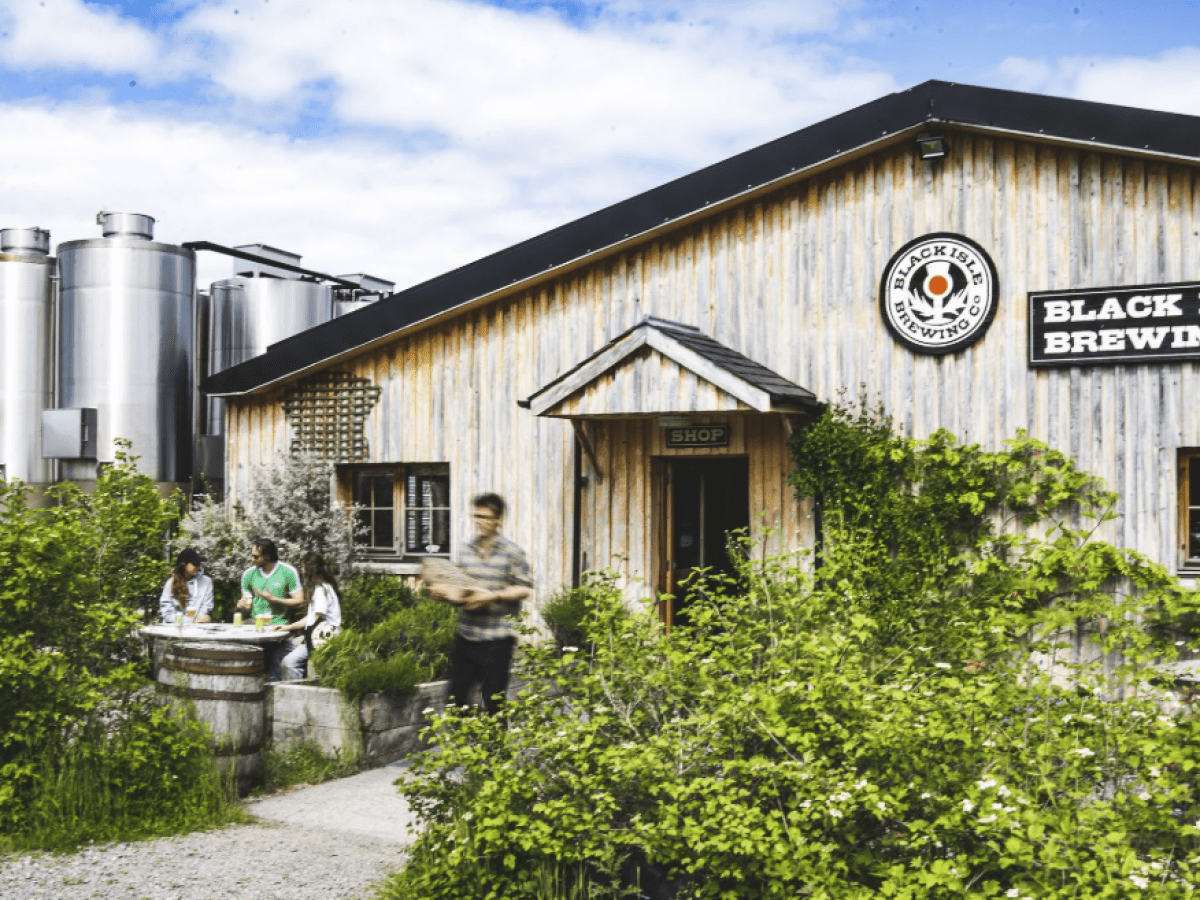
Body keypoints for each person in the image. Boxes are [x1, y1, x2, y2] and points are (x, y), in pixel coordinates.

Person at [428, 493, 533, 714]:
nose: (480, 521)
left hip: (497, 639)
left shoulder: (513, 553)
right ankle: (464, 746)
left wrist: (493, 596)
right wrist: (444, 593)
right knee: (455, 698)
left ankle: (497, 748)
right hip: (466, 636)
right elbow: (461, 587)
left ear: (499, 520)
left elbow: (524, 589)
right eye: (477, 516)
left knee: (494, 701)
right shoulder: (465, 551)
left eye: (486, 517)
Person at [237, 538, 304, 681]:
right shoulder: (249, 574)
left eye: (256, 556)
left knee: (274, 654)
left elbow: (300, 602)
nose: (252, 559)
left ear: (267, 556)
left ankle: (274, 686)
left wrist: (275, 600)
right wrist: (242, 606)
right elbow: (247, 606)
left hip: (279, 624)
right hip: (255, 622)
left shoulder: (288, 572)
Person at [275, 551, 342, 682]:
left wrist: (304, 637)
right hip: (316, 635)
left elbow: (316, 620)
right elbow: (311, 618)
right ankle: (276, 686)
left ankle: (295, 690)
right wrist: (289, 627)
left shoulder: (321, 591)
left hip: (323, 639)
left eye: (303, 567)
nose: (302, 571)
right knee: (280, 650)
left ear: (309, 570)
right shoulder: (322, 587)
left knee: (289, 663)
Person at [159, 548, 214, 624]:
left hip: (199, 628)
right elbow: (167, 615)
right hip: (175, 629)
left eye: (198, 563)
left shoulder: (206, 581)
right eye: (194, 564)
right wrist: (190, 621)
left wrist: (199, 620)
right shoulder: (170, 583)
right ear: (184, 565)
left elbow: (206, 607)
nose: (197, 566)